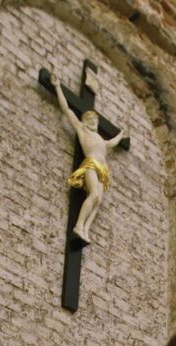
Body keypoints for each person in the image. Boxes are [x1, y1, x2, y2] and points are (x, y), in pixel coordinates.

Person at [53, 79, 125, 243]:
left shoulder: (100, 138)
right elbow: (66, 109)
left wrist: (122, 134)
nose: (93, 122)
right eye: (89, 119)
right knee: (93, 194)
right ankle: (78, 226)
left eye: (95, 120)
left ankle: (86, 229)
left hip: (102, 169)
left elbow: (111, 143)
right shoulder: (81, 129)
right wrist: (57, 87)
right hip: (91, 164)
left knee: (98, 200)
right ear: (84, 121)